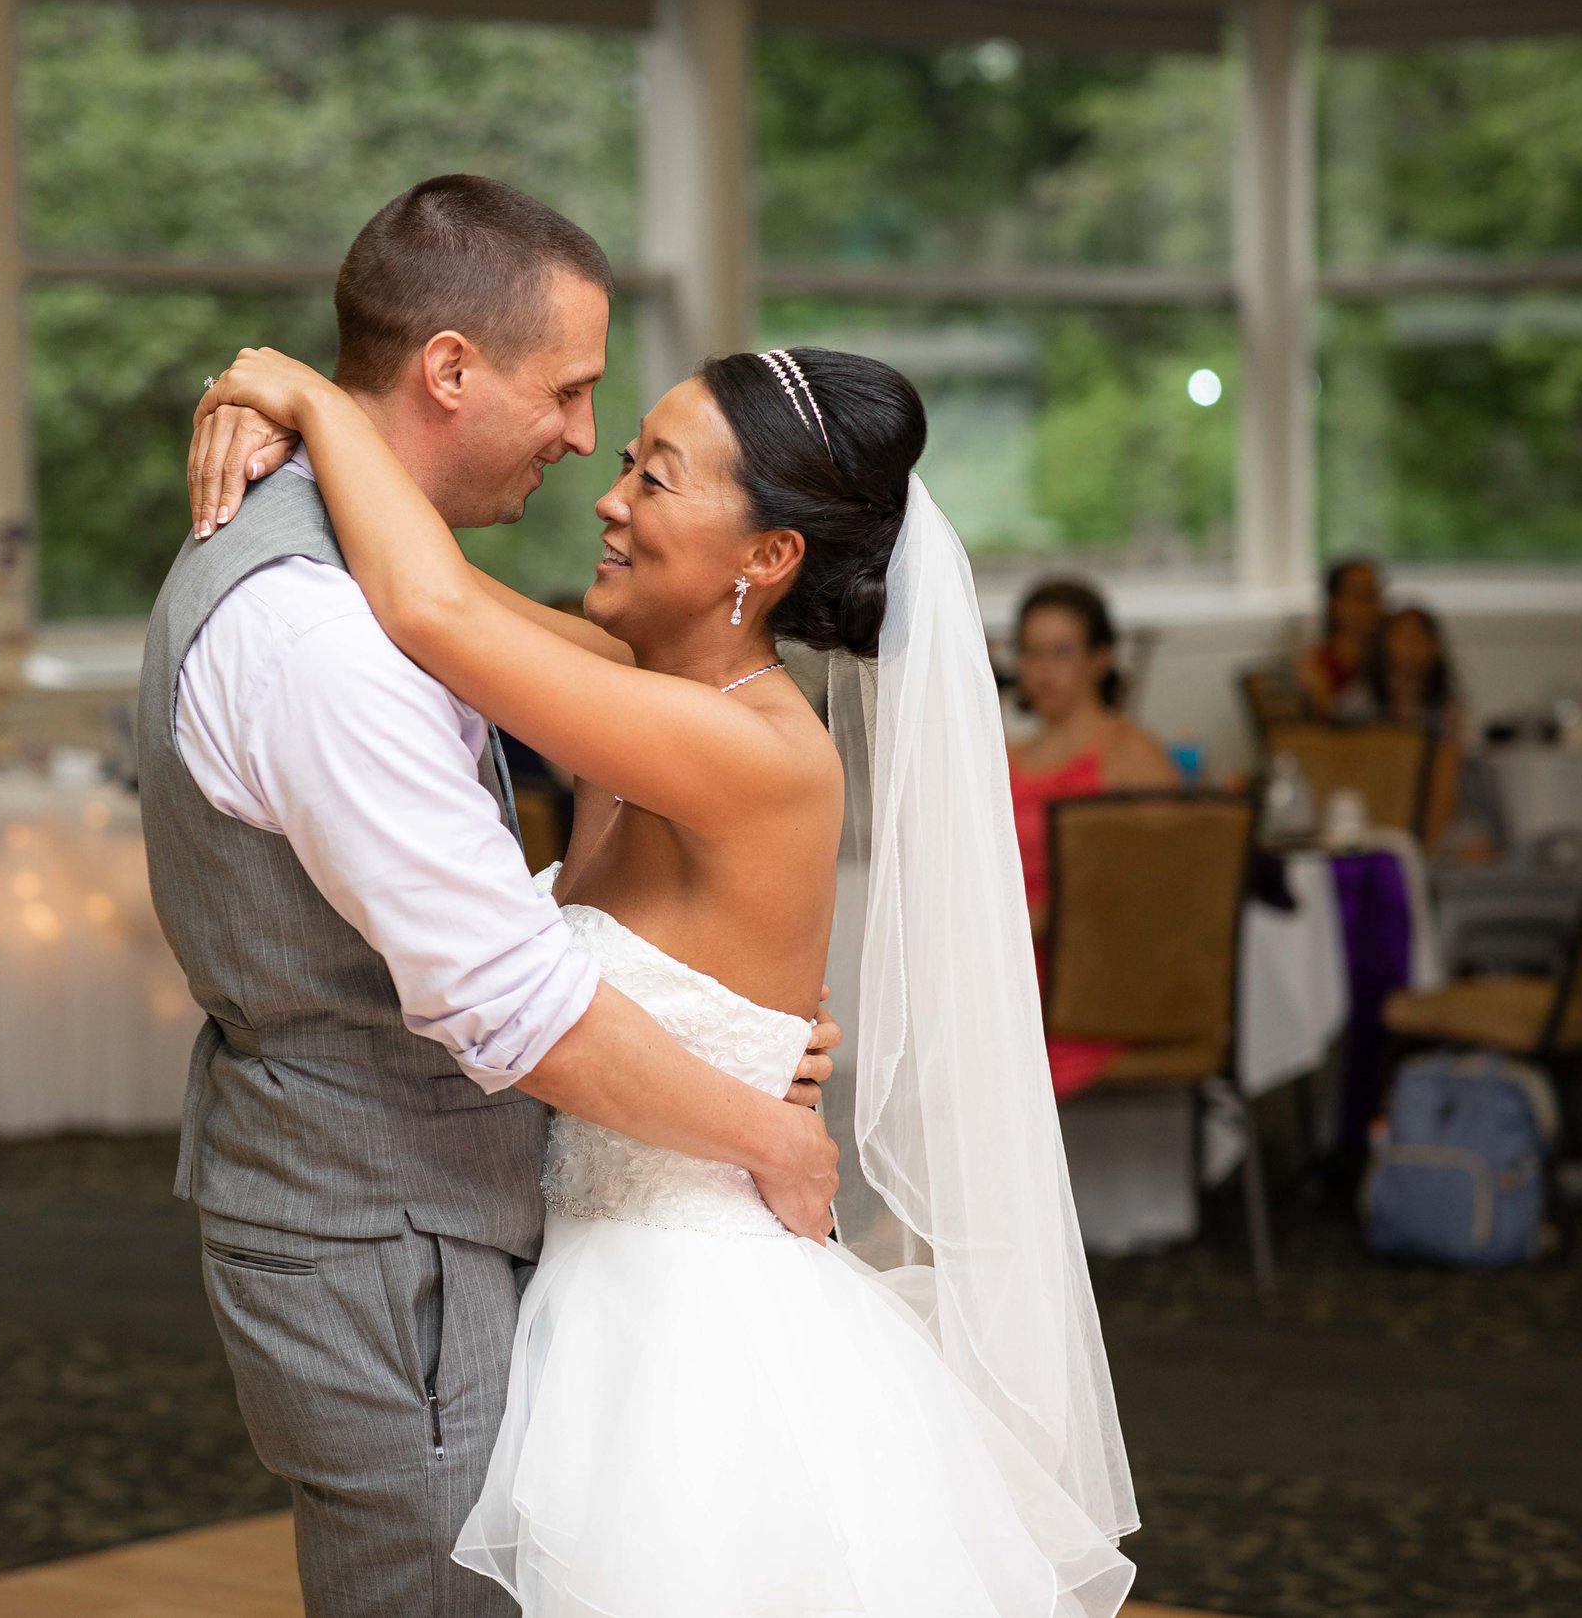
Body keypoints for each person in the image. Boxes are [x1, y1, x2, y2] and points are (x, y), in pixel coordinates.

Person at [193, 335, 1137, 1615]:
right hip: (573, 1284)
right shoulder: (634, 693)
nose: (609, 492)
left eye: (658, 475)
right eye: (627, 456)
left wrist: (301, 391)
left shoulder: (754, 751)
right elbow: (411, 578)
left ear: (768, 556)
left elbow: (434, 610)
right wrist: (286, 450)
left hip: (692, 1334)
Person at [136, 177, 843, 1618]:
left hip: (436, 1213)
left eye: (646, 456)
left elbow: (460, 892)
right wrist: (763, 1123)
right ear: (450, 368)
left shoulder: (358, 567)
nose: (587, 443)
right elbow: (504, 994)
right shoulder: (324, 627)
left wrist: (707, 1015)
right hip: (387, 1232)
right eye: (576, 394)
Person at [1003, 579, 1179, 1097]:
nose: (1043, 670)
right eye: (1032, 652)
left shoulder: (1129, 754)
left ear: (1100, 659)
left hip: (1086, 986)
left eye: (1061, 652)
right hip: (1009, 965)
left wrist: (1040, 919)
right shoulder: (1007, 757)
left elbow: (1168, 885)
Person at [1359, 603, 1472, 855]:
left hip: (1431, 811)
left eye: (1420, 639)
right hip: (1377, 806)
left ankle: (1426, 861)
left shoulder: (1443, 710)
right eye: (1404, 638)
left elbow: (1448, 782)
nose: (1411, 648)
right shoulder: (1360, 703)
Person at [1298, 555, 1384, 718]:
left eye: (1376, 595)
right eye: (1362, 596)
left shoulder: (1392, 654)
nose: (1374, 606)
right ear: (1335, 603)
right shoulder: (1317, 667)